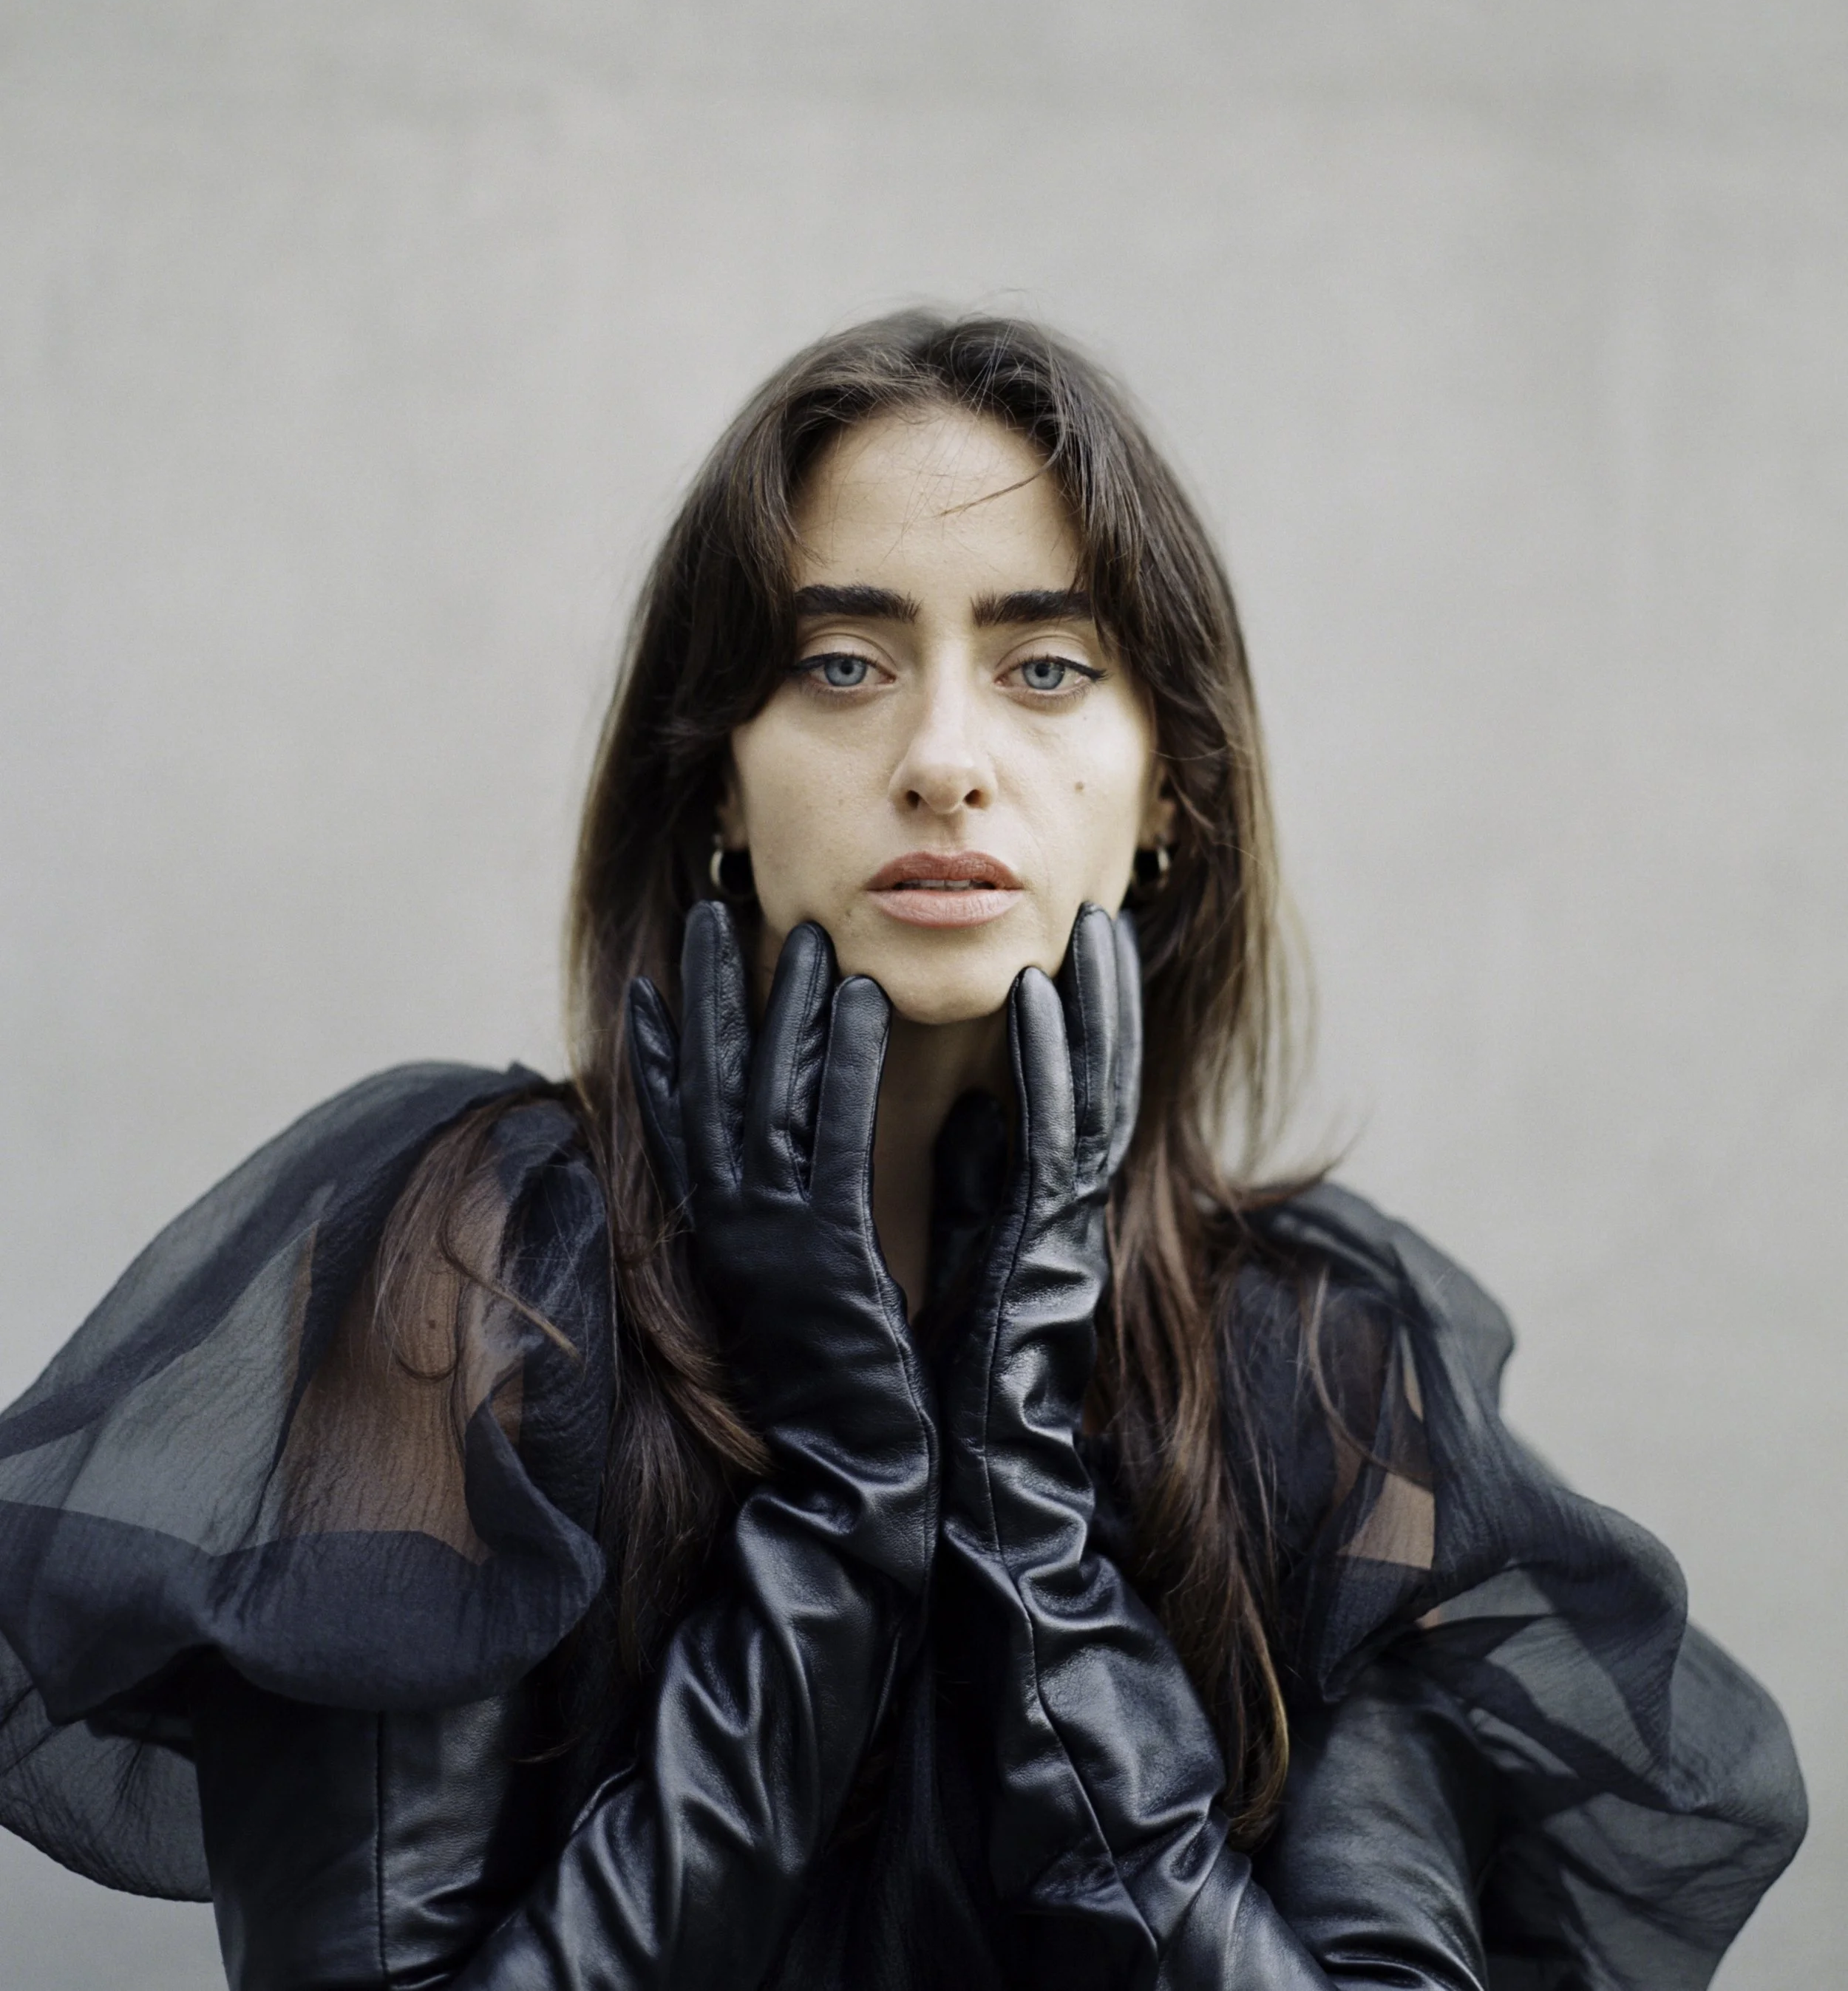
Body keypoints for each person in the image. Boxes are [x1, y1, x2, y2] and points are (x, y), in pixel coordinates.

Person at [0, 313, 1804, 1990]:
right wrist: (843, 1513)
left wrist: (1021, 1511)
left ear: (1165, 786)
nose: (944, 757)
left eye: (1041, 663)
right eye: (843, 662)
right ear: (715, 774)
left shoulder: (1318, 1358)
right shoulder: (469, 1275)